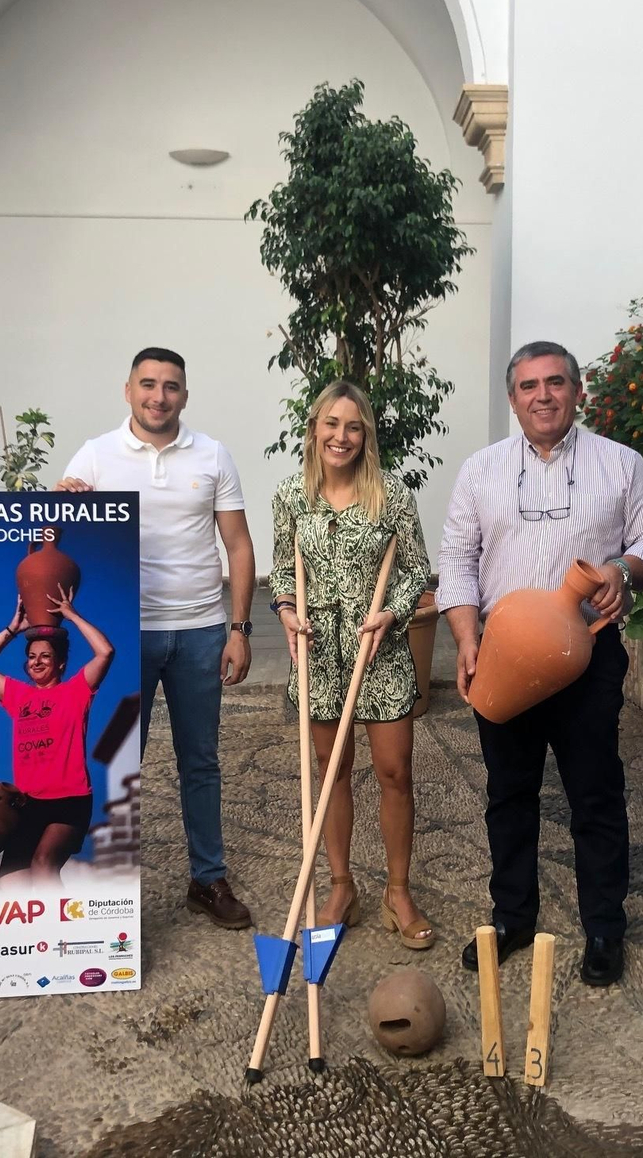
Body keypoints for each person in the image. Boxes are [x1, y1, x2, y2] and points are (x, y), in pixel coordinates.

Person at [439, 340, 643, 987]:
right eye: (530, 386)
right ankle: (511, 915)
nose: (543, 395)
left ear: (577, 391)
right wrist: (466, 637)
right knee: (508, 793)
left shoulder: (620, 466)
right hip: (504, 654)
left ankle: (603, 928)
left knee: (595, 793)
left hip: (588, 655)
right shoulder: (482, 471)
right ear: (513, 399)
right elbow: (456, 557)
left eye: (556, 383)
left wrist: (625, 569)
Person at [56, 346, 256, 929]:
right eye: (148, 384)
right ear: (128, 390)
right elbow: (55, 536)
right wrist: (65, 504)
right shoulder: (94, 457)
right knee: (119, 760)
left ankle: (208, 879)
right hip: (126, 634)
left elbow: (238, 546)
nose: (158, 396)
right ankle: (101, 892)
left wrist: (239, 629)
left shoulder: (213, 455)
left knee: (201, 760)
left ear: (184, 396)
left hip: (198, 631)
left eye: (171, 387)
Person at [269, 381, 435, 949]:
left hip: (378, 651)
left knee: (395, 772)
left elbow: (416, 569)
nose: (341, 437)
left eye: (354, 426)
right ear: (315, 428)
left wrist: (392, 612)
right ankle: (342, 885)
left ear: (366, 435)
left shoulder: (392, 496)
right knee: (330, 767)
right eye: (331, 424)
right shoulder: (292, 495)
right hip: (319, 651)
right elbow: (283, 572)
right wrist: (287, 610)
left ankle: (397, 889)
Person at [0, 586, 114, 888]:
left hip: (70, 801)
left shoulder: (75, 692)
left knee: (43, 864)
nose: (36, 661)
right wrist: (12, 629)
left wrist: (72, 616)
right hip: (28, 803)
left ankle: (66, 932)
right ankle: (30, 934)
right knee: (10, 885)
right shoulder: (18, 696)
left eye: (45, 656)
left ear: (60, 663)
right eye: (32, 656)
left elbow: (105, 651)